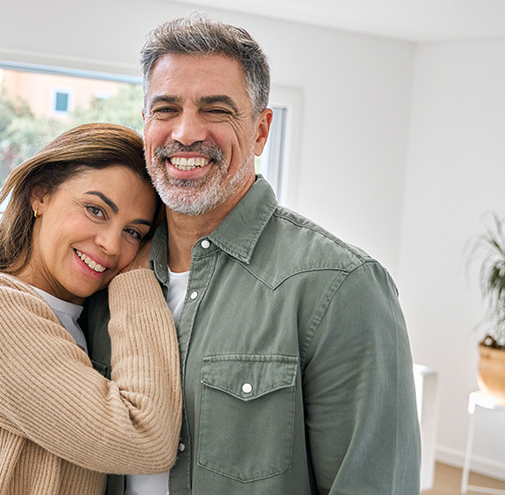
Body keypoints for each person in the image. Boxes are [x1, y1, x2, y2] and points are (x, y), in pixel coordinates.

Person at [82, 13, 422, 494]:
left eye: (215, 109)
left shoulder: (341, 286)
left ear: (261, 130)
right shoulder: (104, 274)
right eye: (165, 109)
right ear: (145, 124)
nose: (184, 133)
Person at [0, 123, 182, 494]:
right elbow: (145, 437)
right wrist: (137, 273)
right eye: (96, 210)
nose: (111, 245)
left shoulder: (81, 318)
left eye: (134, 232)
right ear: (41, 193)